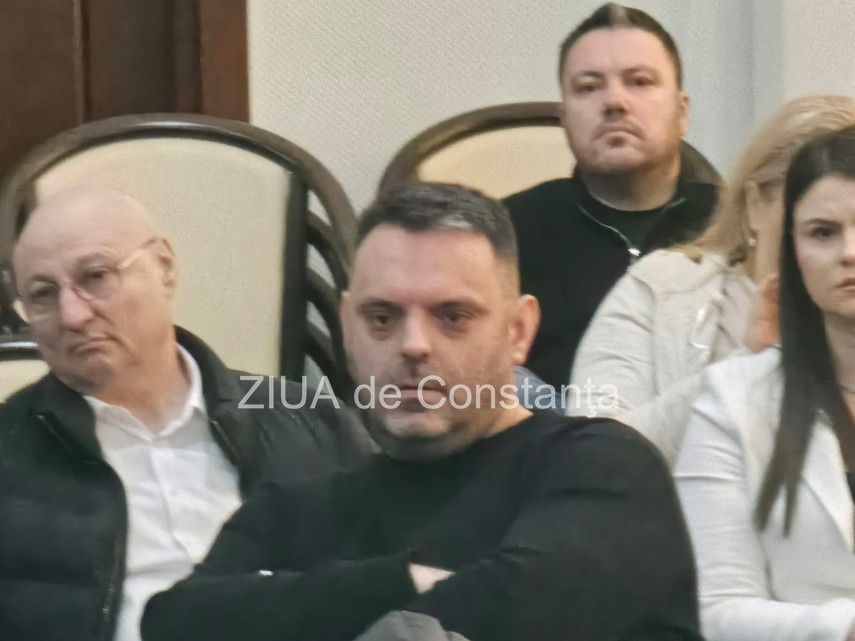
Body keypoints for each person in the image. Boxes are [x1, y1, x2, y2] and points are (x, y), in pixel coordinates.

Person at [141, 182, 702, 641]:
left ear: (519, 330)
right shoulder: (292, 509)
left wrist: (294, 610)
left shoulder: (605, 469)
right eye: (382, 317)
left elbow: (511, 617)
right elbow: (175, 623)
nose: (413, 345)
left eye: (453, 316)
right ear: (347, 328)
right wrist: (402, 580)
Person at [0, 185, 373, 641]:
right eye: (42, 295)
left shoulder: (308, 421)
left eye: (96, 276)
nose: (72, 315)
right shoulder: (10, 452)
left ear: (165, 267)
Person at [570, 95, 855, 464]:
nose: (848, 250)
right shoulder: (659, 287)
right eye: (822, 228)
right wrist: (746, 365)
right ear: (754, 205)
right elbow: (591, 457)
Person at [675, 125, 855, 641]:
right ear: (793, 252)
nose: (848, 251)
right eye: (823, 232)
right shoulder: (731, 398)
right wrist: (843, 626)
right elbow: (717, 611)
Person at [504, 2, 719, 391]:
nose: (615, 102)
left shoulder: (735, 225)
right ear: (564, 118)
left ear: (682, 111)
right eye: (589, 87)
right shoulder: (506, 231)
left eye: (640, 82)